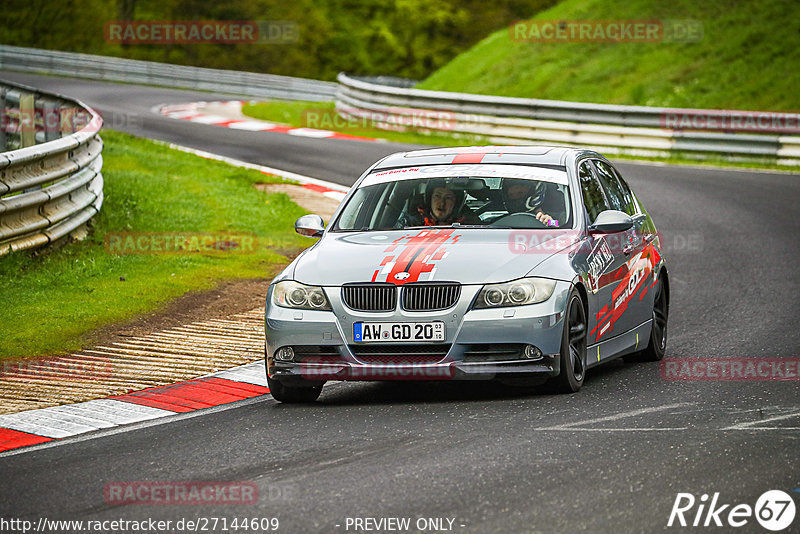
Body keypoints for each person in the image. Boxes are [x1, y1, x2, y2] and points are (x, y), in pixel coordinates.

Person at [395, 179, 478, 228]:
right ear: (429, 198)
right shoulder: (408, 223)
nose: (442, 203)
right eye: (437, 196)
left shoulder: (472, 226)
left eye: (448, 198)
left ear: (456, 203)